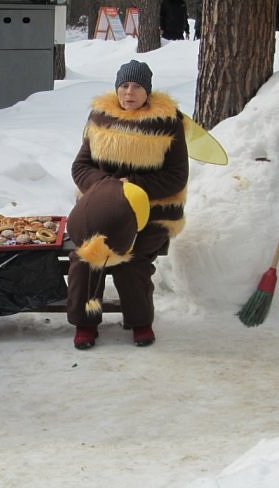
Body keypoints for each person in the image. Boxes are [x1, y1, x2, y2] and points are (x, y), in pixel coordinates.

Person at [67, 60, 188, 349]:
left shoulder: (168, 123)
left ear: (147, 91)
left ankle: (140, 320)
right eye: (124, 86)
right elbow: (80, 167)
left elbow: (176, 176)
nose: (129, 92)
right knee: (86, 257)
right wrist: (109, 188)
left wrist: (131, 186)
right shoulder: (99, 118)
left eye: (136, 86)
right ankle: (86, 322)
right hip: (100, 209)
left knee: (130, 260)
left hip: (150, 215)